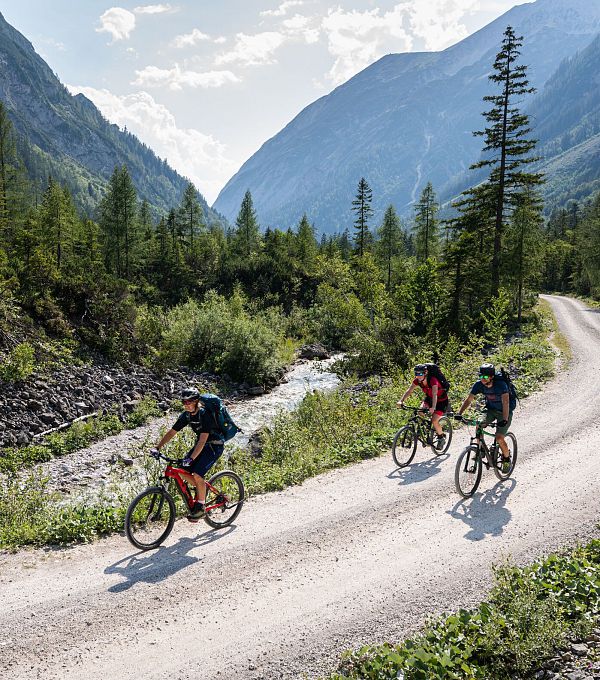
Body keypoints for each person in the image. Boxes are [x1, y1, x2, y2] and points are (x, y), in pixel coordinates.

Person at [151, 387, 224, 521]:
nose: (186, 404)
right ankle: (201, 487)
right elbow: (172, 432)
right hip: (201, 445)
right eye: (184, 402)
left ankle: (200, 507)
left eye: (189, 402)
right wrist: (157, 447)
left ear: (196, 401)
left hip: (214, 445)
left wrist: (191, 459)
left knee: (197, 474)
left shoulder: (204, 414)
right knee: (180, 470)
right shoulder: (186, 415)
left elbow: (203, 440)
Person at [455, 363, 513, 471]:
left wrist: (504, 419)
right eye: (481, 376)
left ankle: (506, 458)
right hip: (490, 409)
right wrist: (459, 413)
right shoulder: (479, 385)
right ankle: (480, 450)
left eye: (485, 377)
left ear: (491, 377)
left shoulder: (501, 385)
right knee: (478, 424)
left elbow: (506, 402)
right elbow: (469, 400)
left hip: (504, 412)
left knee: (499, 437)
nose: (482, 379)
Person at [397, 364, 449, 450]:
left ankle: (441, 437)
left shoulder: (433, 380)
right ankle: (425, 429)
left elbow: (435, 394)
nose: (418, 376)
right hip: (429, 399)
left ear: (425, 373)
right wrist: (401, 400)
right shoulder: (417, 381)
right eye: (416, 374)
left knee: (434, 420)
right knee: (420, 411)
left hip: (441, 401)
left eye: (420, 374)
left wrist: (433, 407)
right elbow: (409, 390)